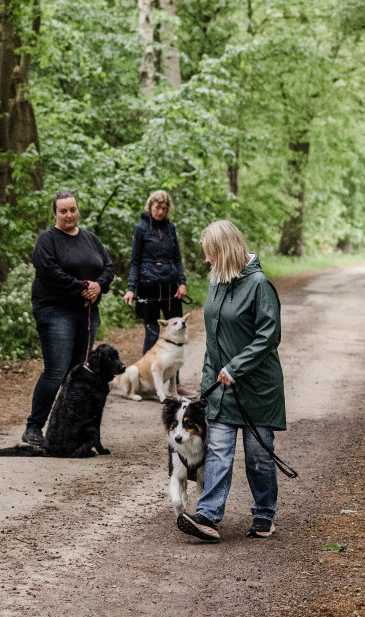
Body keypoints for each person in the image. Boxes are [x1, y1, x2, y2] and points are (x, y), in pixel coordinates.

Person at [177, 220, 285, 543]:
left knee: (258, 456)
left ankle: (264, 514)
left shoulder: (259, 285)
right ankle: (208, 517)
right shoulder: (217, 282)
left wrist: (236, 367)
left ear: (223, 251)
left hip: (258, 389)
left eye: (210, 254)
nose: (207, 261)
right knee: (219, 451)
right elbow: (213, 341)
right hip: (222, 389)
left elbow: (269, 336)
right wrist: (208, 383)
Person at [22, 191, 115, 446]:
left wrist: (98, 286)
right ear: (54, 214)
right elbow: (48, 270)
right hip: (54, 310)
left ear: (78, 210)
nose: (68, 215)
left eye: (72, 209)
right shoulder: (47, 239)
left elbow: (108, 267)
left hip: (86, 312)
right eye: (63, 211)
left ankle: (66, 429)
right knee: (56, 370)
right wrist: (81, 287)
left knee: (77, 373)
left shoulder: (90, 239)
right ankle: (33, 426)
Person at [123, 190, 187, 354]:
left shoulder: (170, 228)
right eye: (157, 207)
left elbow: (177, 258)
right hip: (148, 286)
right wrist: (131, 288)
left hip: (171, 287)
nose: (160, 211)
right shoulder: (140, 228)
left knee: (176, 332)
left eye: (164, 208)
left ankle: (175, 379)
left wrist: (182, 283)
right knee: (152, 333)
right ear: (150, 206)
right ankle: (148, 378)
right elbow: (135, 261)